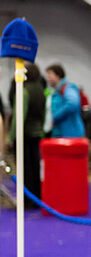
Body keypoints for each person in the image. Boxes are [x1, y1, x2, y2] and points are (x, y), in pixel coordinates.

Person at [7, 62, 46, 207]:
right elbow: (44, 113)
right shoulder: (40, 89)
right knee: (35, 167)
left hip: (24, 135)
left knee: (25, 169)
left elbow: (19, 117)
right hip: (37, 133)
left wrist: (12, 137)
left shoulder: (24, 91)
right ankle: (37, 197)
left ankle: (27, 200)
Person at [45, 64, 85, 138]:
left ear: (58, 75)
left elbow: (72, 103)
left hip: (70, 136)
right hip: (60, 134)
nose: (48, 79)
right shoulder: (56, 91)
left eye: (50, 76)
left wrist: (54, 117)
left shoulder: (68, 88)